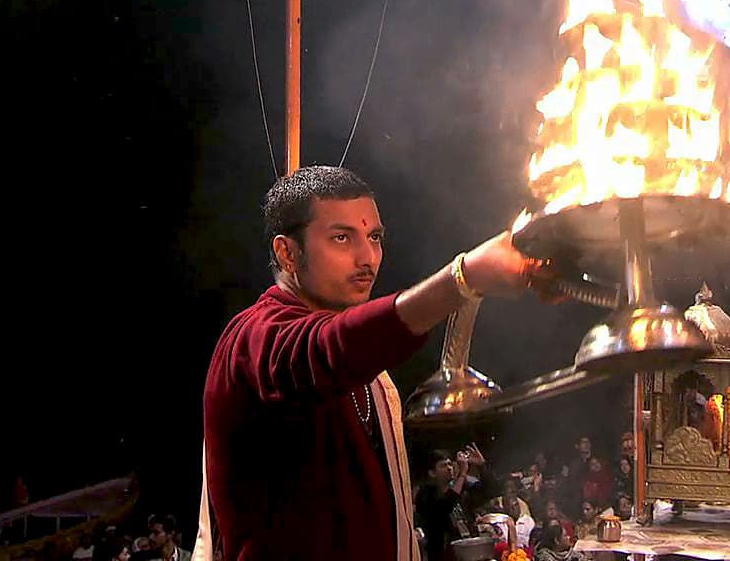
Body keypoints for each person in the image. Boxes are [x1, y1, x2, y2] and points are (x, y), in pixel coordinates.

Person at [199, 166, 543, 561]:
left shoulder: (374, 378)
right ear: (287, 252)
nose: (367, 258)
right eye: (342, 237)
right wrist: (462, 278)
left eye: (375, 237)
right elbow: (328, 349)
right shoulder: (253, 337)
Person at [416, 446, 495, 561]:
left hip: (470, 552)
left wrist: (482, 465)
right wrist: (462, 474)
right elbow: (445, 506)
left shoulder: (463, 489)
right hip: (444, 555)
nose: (449, 468)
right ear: (432, 473)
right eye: (443, 465)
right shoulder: (425, 495)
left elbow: (491, 490)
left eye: (450, 464)